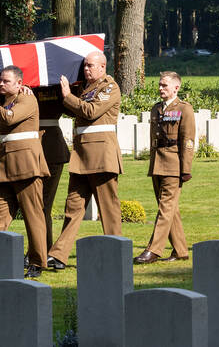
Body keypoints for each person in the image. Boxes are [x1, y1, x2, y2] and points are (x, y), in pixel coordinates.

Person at [47, 51, 122, 270]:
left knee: (108, 208)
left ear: (103, 67)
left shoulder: (110, 87)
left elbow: (90, 111)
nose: (86, 69)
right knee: (73, 207)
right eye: (85, 65)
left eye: (90, 65)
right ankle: (59, 255)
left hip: (101, 156)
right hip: (81, 156)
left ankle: (116, 250)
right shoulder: (84, 89)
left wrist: (67, 96)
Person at [0, 66, 50, 278]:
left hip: (26, 166)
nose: (1, 84)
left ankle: (37, 262)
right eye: (0, 80)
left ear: (19, 83)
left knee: (32, 216)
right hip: (6, 166)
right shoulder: (4, 101)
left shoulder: (27, 99)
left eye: (6, 81)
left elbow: (9, 118)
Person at [134, 71, 195, 264]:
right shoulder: (156, 109)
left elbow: (188, 140)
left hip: (174, 165)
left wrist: (185, 168)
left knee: (165, 208)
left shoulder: (184, 109)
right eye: (159, 85)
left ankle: (154, 250)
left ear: (176, 88)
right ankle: (180, 250)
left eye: (164, 85)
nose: (160, 88)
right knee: (170, 209)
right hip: (158, 164)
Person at [35, 86, 70, 252]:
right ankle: (41, 247)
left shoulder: (56, 86)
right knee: (36, 205)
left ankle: (42, 248)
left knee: (43, 204)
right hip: (31, 150)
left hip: (51, 151)